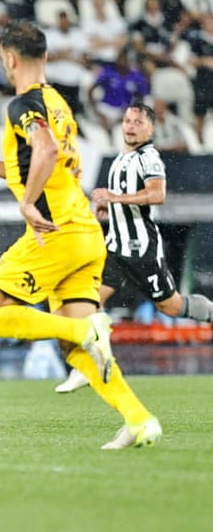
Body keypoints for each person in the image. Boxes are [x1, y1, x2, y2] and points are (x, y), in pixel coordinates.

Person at [0, 21, 162, 449]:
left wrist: (27, 203)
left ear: (9, 58)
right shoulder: (58, 101)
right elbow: (49, 164)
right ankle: (138, 419)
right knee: (78, 350)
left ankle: (86, 329)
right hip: (84, 235)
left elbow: (45, 151)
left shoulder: (22, 103)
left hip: (53, 233)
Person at [56, 102, 213, 393]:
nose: (130, 126)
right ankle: (90, 365)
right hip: (116, 248)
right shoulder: (121, 158)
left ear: (151, 129)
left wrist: (114, 198)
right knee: (85, 303)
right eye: (127, 120)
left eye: (138, 122)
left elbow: (157, 194)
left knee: (171, 306)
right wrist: (108, 207)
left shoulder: (148, 157)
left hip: (140, 249)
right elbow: (125, 199)